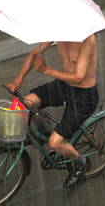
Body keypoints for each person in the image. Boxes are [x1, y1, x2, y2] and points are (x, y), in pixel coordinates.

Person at [7, 34, 99, 189]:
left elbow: (78, 77)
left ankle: (81, 163)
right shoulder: (59, 31)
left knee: (55, 143)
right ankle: (43, 133)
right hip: (63, 87)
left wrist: (46, 70)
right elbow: (33, 54)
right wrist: (18, 80)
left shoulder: (88, 40)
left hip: (83, 97)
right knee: (26, 104)